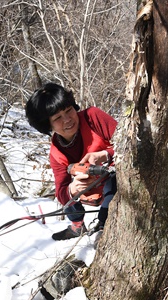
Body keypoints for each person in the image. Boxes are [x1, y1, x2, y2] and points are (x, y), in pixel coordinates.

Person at [25, 82, 117, 240]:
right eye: (58, 118)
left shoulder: (92, 117)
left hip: (118, 180)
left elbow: (132, 143)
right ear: (48, 124)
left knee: (113, 182)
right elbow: (60, 192)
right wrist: (72, 190)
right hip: (91, 189)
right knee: (67, 193)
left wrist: (106, 154)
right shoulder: (56, 153)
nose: (67, 119)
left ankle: (104, 227)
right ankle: (77, 226)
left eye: (68, 110)